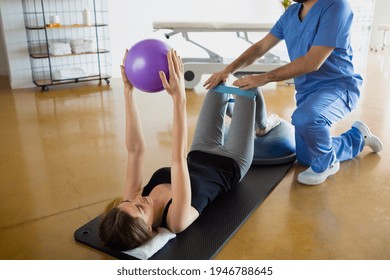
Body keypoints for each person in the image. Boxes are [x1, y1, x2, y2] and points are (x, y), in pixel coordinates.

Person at [98, 49, 279, 251]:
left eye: (130, 202)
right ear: (149, 229)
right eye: (140, 207)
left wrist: (127, 90)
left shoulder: (132, 202)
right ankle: (262, 126)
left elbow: (135, 150)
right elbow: (177, 159)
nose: (138, 199)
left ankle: (232, 110)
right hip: (232, 163)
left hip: (201, 149)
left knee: (217, 85)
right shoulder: (176, 219)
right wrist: (179, 98)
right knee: (248, 88)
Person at [204, 0, 383, 185]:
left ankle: (327, 164)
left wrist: (265, 77)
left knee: (307, 118)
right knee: (306, 158)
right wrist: (229, 69)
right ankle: (357, 137)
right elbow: (260, 48)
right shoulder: (291, 13)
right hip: (307, 92)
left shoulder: (336, 6)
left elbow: (313, 61)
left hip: (338, 86)